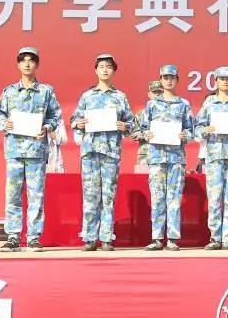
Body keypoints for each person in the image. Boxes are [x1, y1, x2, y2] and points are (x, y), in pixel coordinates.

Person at [0, 46, 62, 252]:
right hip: (14, 151)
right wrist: (5, 124)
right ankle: (13, 236)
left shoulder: (46, 91)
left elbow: (55, 115)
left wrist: (46, 127)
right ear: (18, 65)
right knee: (13, 195)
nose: (27, 64)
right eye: (23, 60)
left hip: (36, 151)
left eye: (31, 60)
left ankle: (33, 237)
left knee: (36, 195)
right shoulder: (9, 92)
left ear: (37, 64)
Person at [71, 53, 135, 252]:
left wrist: (124, 126)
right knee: (90, 195)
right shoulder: (87, 96)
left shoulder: (120, 97)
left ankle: (107, 237)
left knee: (108, 196)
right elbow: (74, 120)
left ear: (113, 70)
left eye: (108, 66)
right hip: (90, 151)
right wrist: (78, 124)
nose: (105, 69)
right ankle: (90, 237)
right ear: (95, 70)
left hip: (110, 152)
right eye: (101, 66)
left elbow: (132, 124)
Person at [134, 65, 194, 251]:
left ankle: (173, 238)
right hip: (156, 157)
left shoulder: (184, 104)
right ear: (160, 80)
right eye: (165, 77)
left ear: (177, 80)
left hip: (176, 158)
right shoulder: (152, 105)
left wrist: (185, 135)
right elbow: (140, 130)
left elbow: (192, 130)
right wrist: (146, 134)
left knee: (174, 199)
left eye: (172, 77)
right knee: (158, 197)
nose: (169, 80)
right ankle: (157, 238)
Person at [195, 66, 228, 250]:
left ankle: (227, 239)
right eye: (222, 78)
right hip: (214, 156)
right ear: (216, 81)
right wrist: (205, 130)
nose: (226, 81)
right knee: (214, 197)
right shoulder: (209, 103)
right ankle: (214, 238)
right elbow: (197, 128)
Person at [131, 80, 164, 173]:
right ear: (149, 94)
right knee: (142, 180)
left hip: (165, 156)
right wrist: (145, 135)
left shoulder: (171, 114)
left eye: (160, 92)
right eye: (154, 92)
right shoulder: (141, 114)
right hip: (145, 156)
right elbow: (133, 134)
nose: (157, 94)